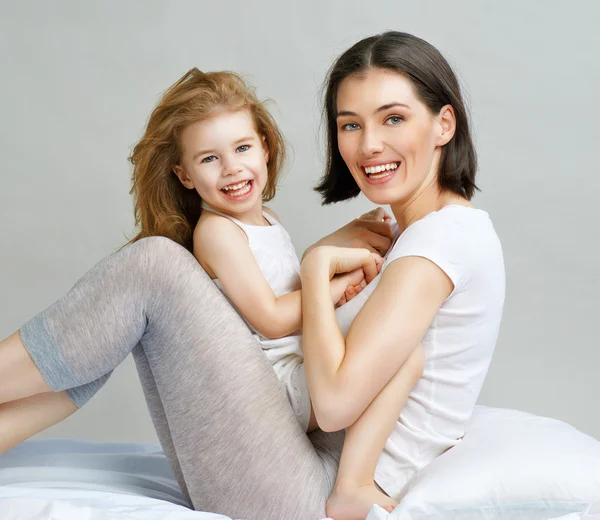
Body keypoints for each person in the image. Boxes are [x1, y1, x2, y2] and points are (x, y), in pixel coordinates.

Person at [0, 31, 505, 520]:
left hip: (308, 490)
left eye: (393, 118)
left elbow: (331, 404)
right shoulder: (418, 233)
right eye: (350, 125)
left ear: (444, 124)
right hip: (294, 460)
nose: (369, 144)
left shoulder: (443, 241)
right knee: (121, 318)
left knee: (152, 267)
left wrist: (316, 263)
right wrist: (326, 259)